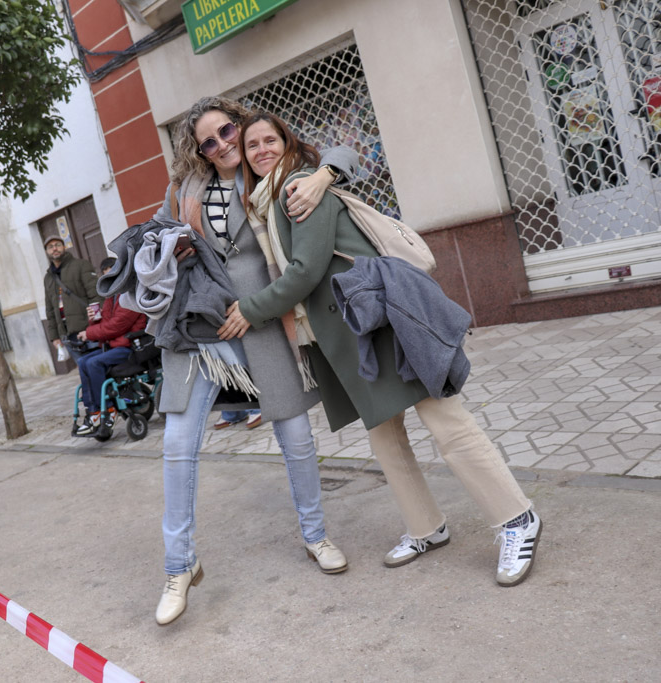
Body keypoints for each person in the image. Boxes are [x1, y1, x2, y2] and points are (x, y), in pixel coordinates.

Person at [223, 111, 542, 587]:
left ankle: (517, 518)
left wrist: (251, 310)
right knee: (385, 437)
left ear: (287, 143)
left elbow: (306, 270)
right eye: (253, 145)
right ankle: (426, 527)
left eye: (270, 140)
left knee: (445, 420)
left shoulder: (298, 189)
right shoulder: (266, 204)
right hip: (350, 331)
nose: (262, 150)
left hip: (380, 322)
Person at [144, 96, 363, 626]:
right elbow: (152, 235)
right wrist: (167, 248)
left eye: (226, 132)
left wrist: (324, 175)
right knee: (177, 444)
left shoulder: (274, 169)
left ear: (239, 125)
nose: (222, 145)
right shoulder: (184, 190)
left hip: (263, 322)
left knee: (296, 437)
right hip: (199, 327)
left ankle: (315, 534)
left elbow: (344, 157)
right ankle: (179, 565)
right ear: (198, 151)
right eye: (208, 142)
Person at [74, 257, 147, 436]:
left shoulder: (130, 295)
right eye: (108, 277)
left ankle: (107, 410)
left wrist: (89, 333)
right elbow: (106, 324)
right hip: (114, 346)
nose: (112, 280)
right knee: (83, 361)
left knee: (94, 363)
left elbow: (116, 327)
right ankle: (93, 411)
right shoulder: (112, 297)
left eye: (114, 275)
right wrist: (94, 319)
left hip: (129, 347)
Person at [42, 236, 101, 365]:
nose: (54, 249)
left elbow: (95, 295)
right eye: (50, 247)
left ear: (64, 247)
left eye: (57, 245)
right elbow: (50, 310)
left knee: (98, 367)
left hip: (87, 329)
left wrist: (96, 324)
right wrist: (54, 337)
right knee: (83, 369)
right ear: (46, 251)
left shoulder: (81, 265)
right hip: (66, 334)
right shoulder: (48, 277)